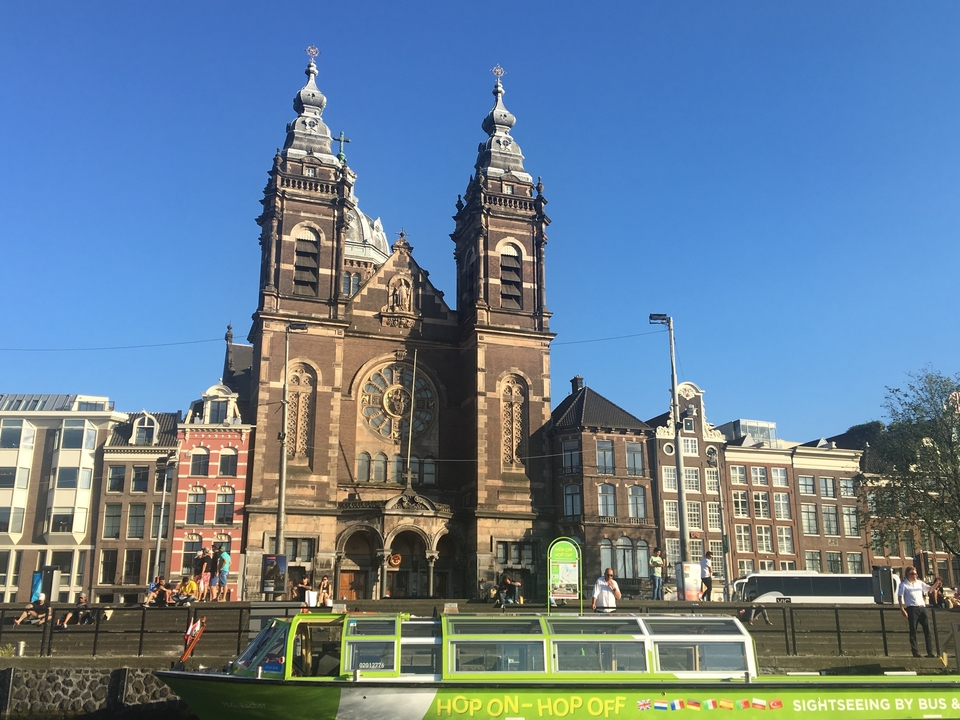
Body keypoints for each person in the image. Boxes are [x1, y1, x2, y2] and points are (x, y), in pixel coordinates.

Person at [898, 565, 935, 658]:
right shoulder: (904, 584)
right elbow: (900, 596)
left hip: (922, 608)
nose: (916, 575)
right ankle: (915, 652)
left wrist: (937, 583)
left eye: (916, 574)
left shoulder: (919, 583)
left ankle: (930, 652)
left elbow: (930, 589)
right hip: (912, 608)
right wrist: (902, 609)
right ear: (908, 574)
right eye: (914, 574)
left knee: (927, 630)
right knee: (913, 630)